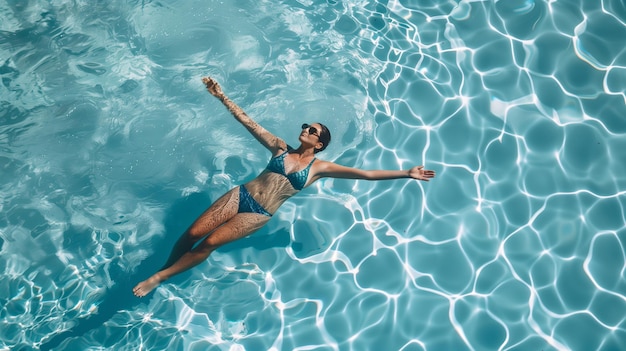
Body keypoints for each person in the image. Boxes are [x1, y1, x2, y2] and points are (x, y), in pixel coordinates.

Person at [132, 77, 436, 297]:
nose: (305, 130)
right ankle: (171, 267)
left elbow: (365, 174)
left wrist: (406, 173)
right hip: (240, 196)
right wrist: (221, 96)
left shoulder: (320, 169)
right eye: (306, 126)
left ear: (319, 144)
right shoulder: (280, 148)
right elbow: (249, 123)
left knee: (209, 244)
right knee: (194, 234)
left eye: (312, 131)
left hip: (259, 213)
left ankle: (160, 277)